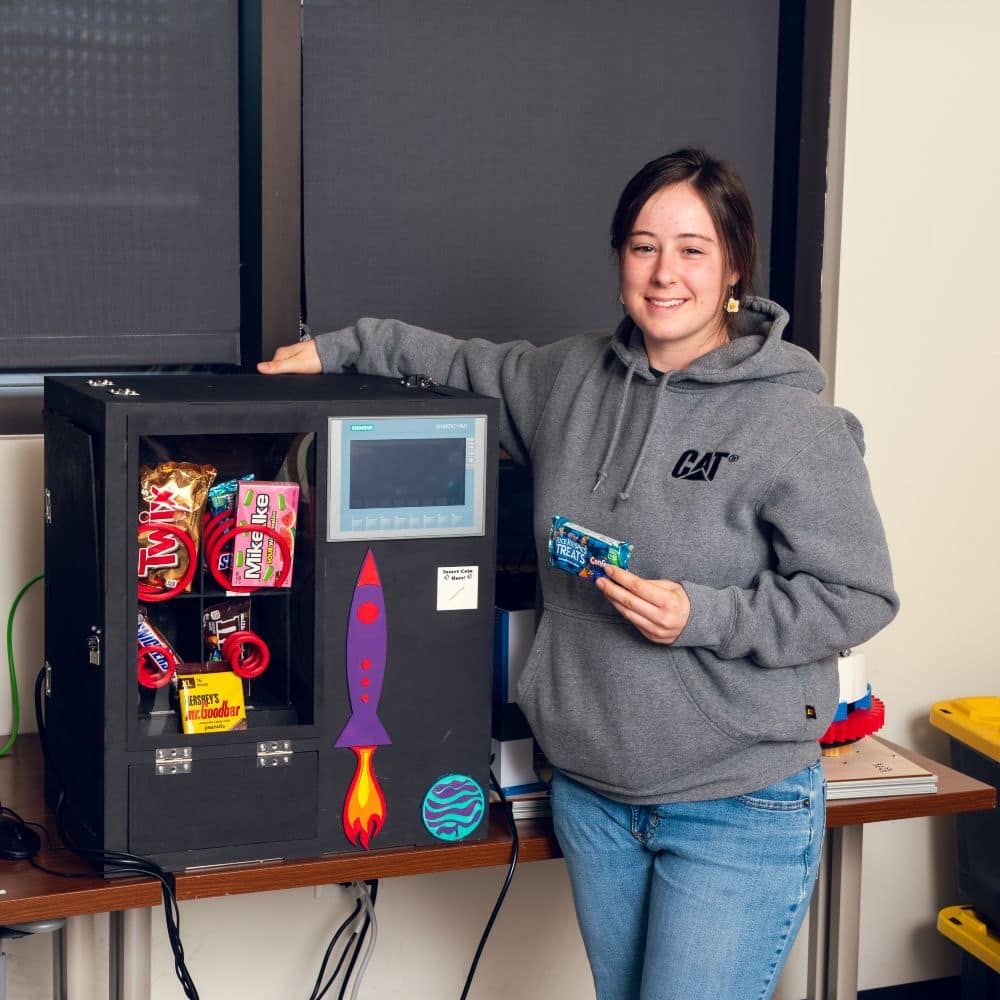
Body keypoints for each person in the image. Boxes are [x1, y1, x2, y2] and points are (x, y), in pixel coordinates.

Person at [259, 148, 898, 999]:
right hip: (593, 796)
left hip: (735, 804)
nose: (665, 273)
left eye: (692, 248)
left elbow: (858, 595)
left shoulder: (792, 421)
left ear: (734, 266)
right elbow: (457, 361)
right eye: (642, 246)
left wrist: (702, 616)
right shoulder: (568, 377)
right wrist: (336, 349)